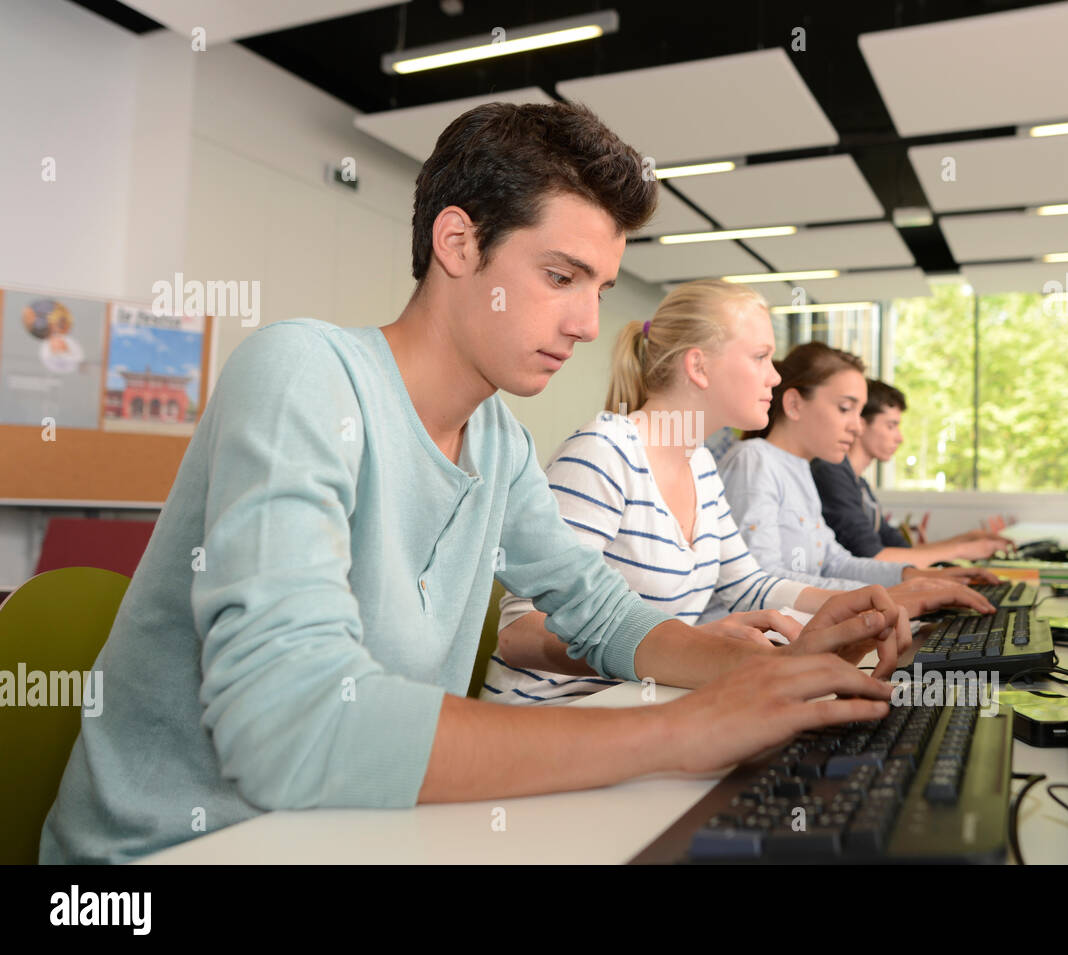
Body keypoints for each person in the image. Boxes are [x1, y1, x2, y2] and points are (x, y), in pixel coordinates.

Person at [40, 102, 922, 864]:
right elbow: (292, 726)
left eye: (601, 286)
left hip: (347, 831)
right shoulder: (301, 373)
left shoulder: (496, 437)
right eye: (559, 276)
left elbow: (603, 612)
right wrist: (686, 731)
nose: (585, 322)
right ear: (457, 242)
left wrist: (768, 663)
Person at [484, 281, 994, 703]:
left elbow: (750, 585)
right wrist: (684, 646)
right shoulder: (604, 453)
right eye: (761, 357)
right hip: (555, 716)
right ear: (699, 366)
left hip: (644, 703)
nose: (775, 376)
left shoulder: (700, 463)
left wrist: (864, 606)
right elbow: (522, 633)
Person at [718, 343, 999, 593]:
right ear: (794, 404)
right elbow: (762, 579)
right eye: (845, 408)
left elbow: (834, 562)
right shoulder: (754, 461)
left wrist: (915, 576)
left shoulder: (801, 470)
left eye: (859, 411)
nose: (856, 426)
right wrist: (881, 596)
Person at [811, 379, 1013, 562]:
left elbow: (903, 549)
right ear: (861, 425)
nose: (900, 438)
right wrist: (961, 550)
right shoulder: (831, 473)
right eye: (891, 426)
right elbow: (875, 556)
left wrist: (966, 540)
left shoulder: (859, 484)